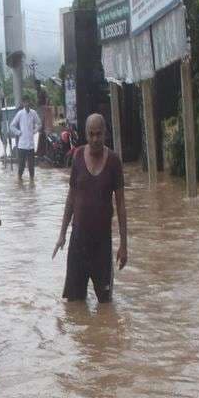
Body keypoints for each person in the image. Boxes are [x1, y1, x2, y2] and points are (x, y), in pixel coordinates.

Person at [52, 114, 127, 303]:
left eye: (99, 134)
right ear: (86, 134)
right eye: (91, 134)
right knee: (74, 305)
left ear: (105, 134)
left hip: (102, 244)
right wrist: (62, 234)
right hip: (78, 241)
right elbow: (71, 198)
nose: (95, 139)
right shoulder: (77, 156)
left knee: (105, 303)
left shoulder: (114, 162)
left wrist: (124, 245)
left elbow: (121, 205)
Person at [9, 96, 41, 180]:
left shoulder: (33, 113)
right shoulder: (20, 113)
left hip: (30, 145)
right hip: (22, 145)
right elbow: (12, 126)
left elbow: (39, 123)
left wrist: (35, 131)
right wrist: (19, 133)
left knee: (31, 166)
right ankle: (19, 179)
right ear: (23, 103)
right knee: (21, 166)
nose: (27, 104)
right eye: (25, 102)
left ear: (29, 102)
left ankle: (32, 181)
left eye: (28, 102)